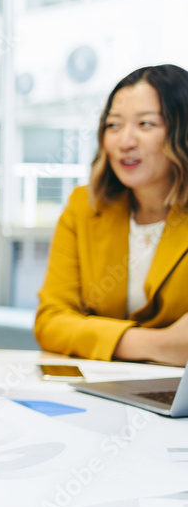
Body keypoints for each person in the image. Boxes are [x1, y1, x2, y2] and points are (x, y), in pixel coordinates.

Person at [34, 64, 188, 365]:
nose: (125, 142)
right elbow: (51, 322)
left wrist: (98, 336)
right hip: (106, 389)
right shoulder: (84, 207)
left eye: (145, 124)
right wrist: (159, 344)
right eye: (114, 125)